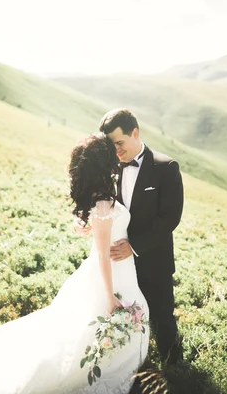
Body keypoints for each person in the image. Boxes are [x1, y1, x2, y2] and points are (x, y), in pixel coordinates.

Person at [0, 133, 149, 394]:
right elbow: (102, 255)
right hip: (106, 275)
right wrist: (109, 296)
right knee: (80, 335)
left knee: (87, 331)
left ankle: (103, 365)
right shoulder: (102, 202)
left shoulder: (101, 199)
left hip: (120, 271)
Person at [77, 108, 184, 367]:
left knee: (161, 317)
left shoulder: (165, 167)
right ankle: (131, 364)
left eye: (119, 143)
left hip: (152, 259)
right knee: (123, 316)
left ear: (135, 133)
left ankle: (175, 368)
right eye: (110, 146)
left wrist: (134, 246)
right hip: (118, 265)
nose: (116, 151)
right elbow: (97, 202)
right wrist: (82, 218)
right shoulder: (109, 168)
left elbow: (170, 218)